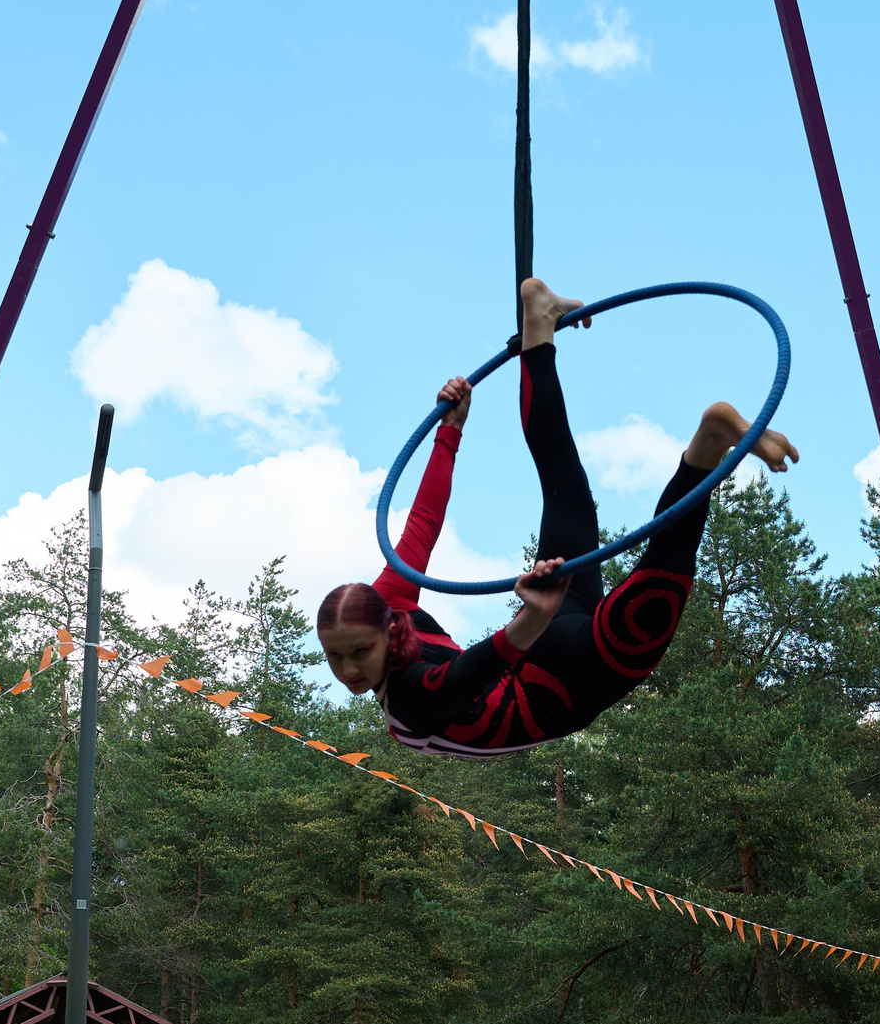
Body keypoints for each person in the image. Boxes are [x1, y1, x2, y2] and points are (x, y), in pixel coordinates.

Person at [315, 278, 799, 761]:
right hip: (540, 643)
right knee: (565, 488)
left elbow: (466, 672)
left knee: (656, 572)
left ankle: (707, 449)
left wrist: (451, 432)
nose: (348, 670)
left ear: (385, 631)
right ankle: (539, 327)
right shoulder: (388, 600)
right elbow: (424, 528)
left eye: (359, 651)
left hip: (563, 680)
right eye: (335, 656)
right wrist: (451, 432)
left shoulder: (408, 699)